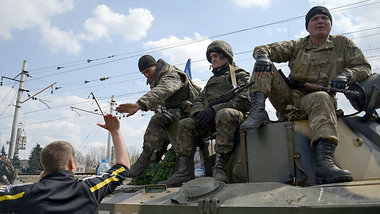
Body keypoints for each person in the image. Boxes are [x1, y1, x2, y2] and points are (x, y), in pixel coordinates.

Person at [240, 6, 371, 184]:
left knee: (321, 97)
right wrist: (262, 56)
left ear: (330, 25)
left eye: (324, 18)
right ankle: (258, 111)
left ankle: (324, 162)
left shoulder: (343, 44)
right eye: (315, 19)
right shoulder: (297, 46)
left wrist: (346, 75)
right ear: (307, 27)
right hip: (288, 99)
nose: (320, 21)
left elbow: (363, 67)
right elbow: (263, 49)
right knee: (264, 65)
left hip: (318, 101)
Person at [159, 40, 251, 187]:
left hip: (234, 119)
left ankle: (220, 167)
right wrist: (199, 113)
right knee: (186, 124)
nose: (213, 59)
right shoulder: (211, 81)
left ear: (225, 56)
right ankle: (183, 171)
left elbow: (246, 100)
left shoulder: (239, 75)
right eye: (211, 57)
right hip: (211, 120)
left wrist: (214, 110)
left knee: (224, 114)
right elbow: (198, 100)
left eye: (215, 56)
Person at [0, 114, 131, 214]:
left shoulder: (24, 193)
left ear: (44, 168)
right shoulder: (89, 189)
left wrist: (35, 186)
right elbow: (122, 167)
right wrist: (115, 131)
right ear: (71, 164)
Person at [116, 55, 200, 177]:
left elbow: (163, 90)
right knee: (158, 122)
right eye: (143, 73)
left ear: (156, 66)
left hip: (190, 115)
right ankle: (148, 163)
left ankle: (147, 162)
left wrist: (139, 104)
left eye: (147, 71)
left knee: (157, 120)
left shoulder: (172, 75)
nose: (146, 75)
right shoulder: (156, 79)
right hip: (174, 116)